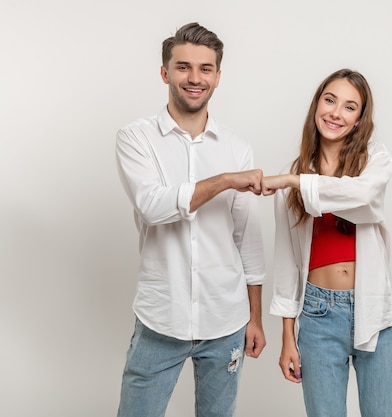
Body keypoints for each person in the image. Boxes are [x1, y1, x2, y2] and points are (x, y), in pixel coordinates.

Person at [114, 22, 266, 417]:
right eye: (183, 67)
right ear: (165, 73)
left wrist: (255, 318)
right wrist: (225, 181)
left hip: (226, 320)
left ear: (217, 76)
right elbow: (153, 205)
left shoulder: (237, 148)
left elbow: (247, 241)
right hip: (160, 318)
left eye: (205, 68)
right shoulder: (136, 139)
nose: (194, 78)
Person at [262, 69, 392, 417]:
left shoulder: (374, 161)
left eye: (349, 107)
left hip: (376, 311)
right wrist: (287, 336)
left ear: (359, 120)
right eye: (330, 100)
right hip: (318, 315)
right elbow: (286, 262)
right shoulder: (295, 175)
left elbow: (362, 195)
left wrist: (293, 179)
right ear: (317, 105)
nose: (336, 113)